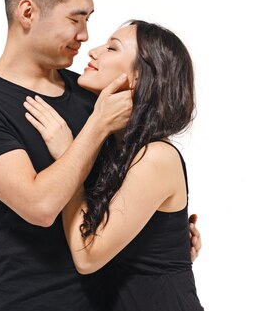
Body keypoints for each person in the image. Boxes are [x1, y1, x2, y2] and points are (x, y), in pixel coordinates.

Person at [0, 0, 201, 311]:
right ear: (28, 12)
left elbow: (134, 183)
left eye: (89, 20)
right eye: (75, 19)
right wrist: (94, 128)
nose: (85, 36)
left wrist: (164, 242)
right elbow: (41, 205)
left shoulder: (91, 92)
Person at [24, 20, 204, 310]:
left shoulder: (157, 156)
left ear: (139, 77)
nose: (93, 51)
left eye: (111, 48)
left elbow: (87, 256)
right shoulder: (115, 150)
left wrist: (69, 156)